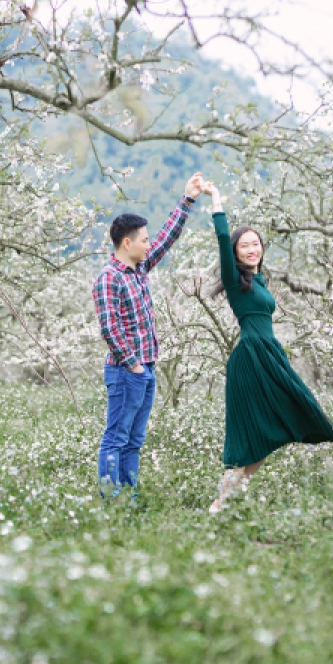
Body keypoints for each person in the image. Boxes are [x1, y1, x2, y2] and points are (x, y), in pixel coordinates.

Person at [204, 181, 333, 513]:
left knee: (269, 432)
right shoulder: (235, 280)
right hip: (250, 358)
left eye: (256, 244)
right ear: (235, 252)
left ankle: (230, 500)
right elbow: (223, 238)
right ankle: (221, 504)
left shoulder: (258, 280)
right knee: (250, 435)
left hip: (268, 355)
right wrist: (216, 200)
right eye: (244, 246)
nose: (251, 249)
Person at [92, 172, 207, 498]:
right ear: (126, 243)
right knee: (116, 436)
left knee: (134, 440)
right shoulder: (108, 278)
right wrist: (134, 366)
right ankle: (111, 500)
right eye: (143, 239)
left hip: (146, 367)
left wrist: (187, 200)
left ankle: (130, 496)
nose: (148, 243)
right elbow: (109, 329)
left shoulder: (139, 268)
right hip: (126, 371)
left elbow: (168, 237)